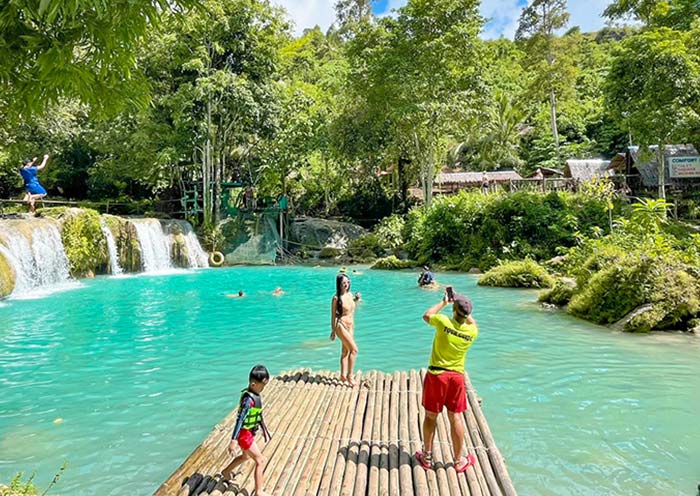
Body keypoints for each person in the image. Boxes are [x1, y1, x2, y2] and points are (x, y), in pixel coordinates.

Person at [415, 288, 478, 474]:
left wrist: (444, 302)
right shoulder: (472, 332)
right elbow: (470, 321)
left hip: (437, 376)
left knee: (431, 416)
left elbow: (427, 315)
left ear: (453, 311)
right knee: (455, 417)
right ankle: (458, 462)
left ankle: (427, 457)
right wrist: (461, 310)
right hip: (457, 378)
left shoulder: (443, 322)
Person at [222, 365, 272, 496]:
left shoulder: (254, 395)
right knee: (260, 460)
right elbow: (240, 420)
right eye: (262, 385)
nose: (263, 388)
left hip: (248, 433)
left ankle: (226, 472)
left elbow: (257, 415)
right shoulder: (248, 400)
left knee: (245, 456)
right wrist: (233, 440)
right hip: (244, 435)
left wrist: (264, 429)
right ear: (253, 384)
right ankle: (259, 492)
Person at [330, 272, 358, 387]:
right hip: (340, 325)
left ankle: (342, 376)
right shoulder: (336, 298)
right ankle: (350, 376)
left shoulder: (350, 295)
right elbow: (333, 315)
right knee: (354, 350)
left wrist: (357, 299)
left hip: (350, 325)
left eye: (348, 282)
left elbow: (351, 307)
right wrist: (332, 331)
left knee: (345, 352)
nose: (346, 284)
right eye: (343, 283)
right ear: (339, 284)